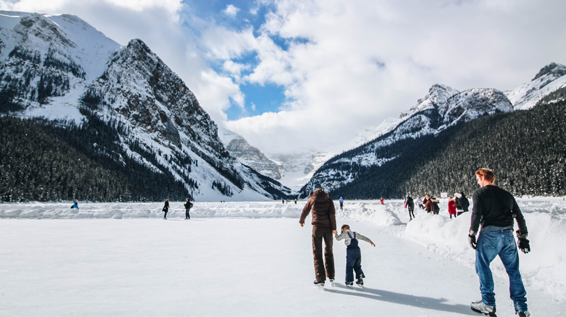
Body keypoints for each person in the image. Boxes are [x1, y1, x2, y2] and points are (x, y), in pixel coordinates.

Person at [468, 168, 530, 317]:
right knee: (513, 271)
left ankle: (488, 303)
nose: (477, 181)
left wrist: (472, 233)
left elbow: (476, 213)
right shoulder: (507, 195)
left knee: (482, 265)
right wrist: (523, 237)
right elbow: (519, 216)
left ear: (483, 177)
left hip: (490, 234)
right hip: (508, 236)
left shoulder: (479, 193)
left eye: (478, 178)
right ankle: (522, 307)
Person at [299, 188, 337, 288]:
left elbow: (305, 210)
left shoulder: (312, 199)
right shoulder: (329, 201)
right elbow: (332, 215)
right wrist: (334, 228)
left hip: (317, 228)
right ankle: (331, 276)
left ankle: (320, 279)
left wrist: (301, 221)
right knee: (329, 251)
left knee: (317, 253)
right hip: (328, 228)